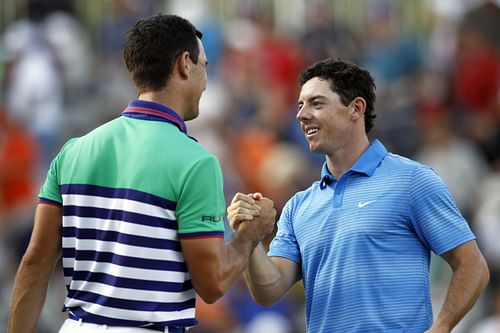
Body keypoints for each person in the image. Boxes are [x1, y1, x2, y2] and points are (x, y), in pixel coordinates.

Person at [8, 14, 276, 333]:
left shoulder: (73, 150)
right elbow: (213, 283)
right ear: (184, 64)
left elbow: (35, 263)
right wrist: (251, 233)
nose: (206, 80)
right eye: (204, 65)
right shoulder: (196, 162)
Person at [228, 58, 490, 333]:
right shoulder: (298, 206)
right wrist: (248, 238)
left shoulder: (412, 180)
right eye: (301, 105)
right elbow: (269, 290)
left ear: (356, 108)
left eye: (317, 103)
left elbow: (473, 264)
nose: (302, 115)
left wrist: (441, 327)